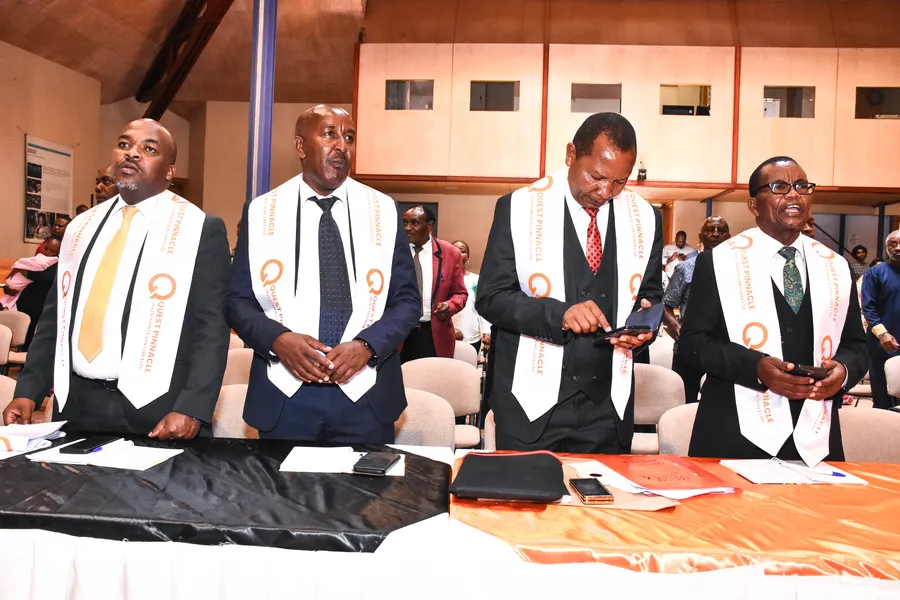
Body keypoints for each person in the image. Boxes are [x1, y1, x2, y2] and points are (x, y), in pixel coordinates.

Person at [3, 119, 231, 439]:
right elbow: (56, 318)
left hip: (159, 407)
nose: (132, 153)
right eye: (124, 144)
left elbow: (212, 327)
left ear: (169, 171)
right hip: (78, 405)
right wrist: (29, 390)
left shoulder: (198, 228)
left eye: (149, 149)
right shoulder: (81, 227)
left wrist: (192, 407)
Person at [226, 105, 420, 443]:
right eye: (330, 134)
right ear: (301, 146)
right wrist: (277, 340)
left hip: (366, 393)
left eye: (350, 137)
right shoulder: (261, 211)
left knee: (366, 481)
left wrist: (368, 345)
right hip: (285, 394)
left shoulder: (383, 210)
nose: (342, 146)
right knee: (283, 481)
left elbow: (407, 300)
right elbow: (236, 301)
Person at [476, 112, 663, 452]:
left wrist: (644, 326)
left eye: (620, 182)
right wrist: (559, 315)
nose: (605, 192)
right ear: (570, 154)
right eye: (596, 176)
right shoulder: (518, 208)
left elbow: (650, 294)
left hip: (607, 409)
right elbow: (491, 297)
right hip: (531, 404)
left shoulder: (646, 218)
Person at [679, 156, 868, 463]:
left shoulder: (835, 266)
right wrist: (755, 367)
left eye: (802, 186)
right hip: (735, 430)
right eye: (780, 187)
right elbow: (693, 343)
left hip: (815, 434)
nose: (794, 195)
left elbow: (857, 346)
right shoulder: (719, 261)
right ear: (753, 205)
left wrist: (844, 371)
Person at [662, 216, 730, 402]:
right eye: (710, 230)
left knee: (720, 403)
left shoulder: (739, 270)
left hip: (726, 348)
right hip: (690, 347)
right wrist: (677, 328)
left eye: (721, 230)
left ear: (729, 236)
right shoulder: (685, 269)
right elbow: (666, 305)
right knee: (685, 401)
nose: (715, 234)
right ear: (701, 236)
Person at [399, 205, 467, 363]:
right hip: (399, 334)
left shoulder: (450, 253)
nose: (407, 228)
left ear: (429, 226)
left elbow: (460, 294)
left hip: (433, 335)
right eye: (405, 223)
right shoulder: (395, 251)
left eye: (414, 223)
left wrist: (450, 306)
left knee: (433, 377)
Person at [861, 230, 900, 409]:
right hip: (882, 341)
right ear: (886, 247)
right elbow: (868, 306)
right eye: (893, 244)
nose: (897, 248)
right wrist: (882, 334)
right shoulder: (875, 273)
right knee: (882, 392)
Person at [2, 236, 61, 348]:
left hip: (38, 308)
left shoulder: (58, 264)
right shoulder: (38, 259)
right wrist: (8, 287)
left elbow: (44, 277)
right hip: (20, 301)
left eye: (52, 251)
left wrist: (21, 269)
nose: (48, 253)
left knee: (28, 339)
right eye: (46, 248)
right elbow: (18, 279)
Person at [451, 240, 491, 356]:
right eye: (454, 250)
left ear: (468, 257)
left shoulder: (476, 280)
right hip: (448, 337)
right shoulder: (443, 280)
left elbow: (482, 308)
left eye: (462, 251)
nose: (458, 253)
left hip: (472, 337)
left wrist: (486, 332)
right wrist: (450, 330)